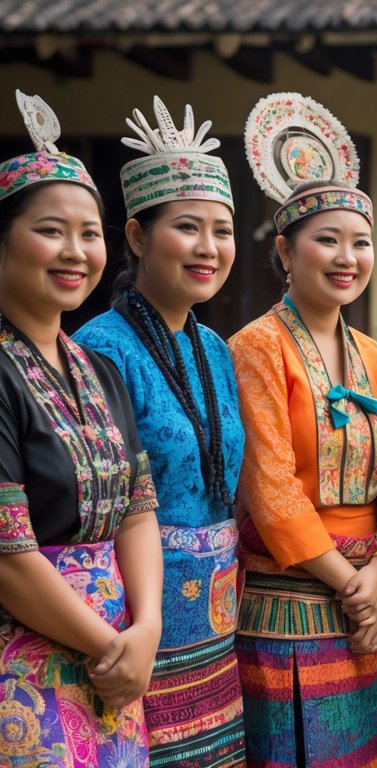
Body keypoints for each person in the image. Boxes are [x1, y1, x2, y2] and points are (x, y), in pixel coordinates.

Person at [73, 96, 246, 766]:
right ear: (138, 237)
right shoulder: (100, 349)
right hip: (136, 626)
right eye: (188, 227)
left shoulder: (218, 350)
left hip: (218, 625)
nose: (209, 247)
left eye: (222, 230)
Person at [229, 92, 377, 767]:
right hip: (287, 604)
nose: (346, 256)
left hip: (367, 610)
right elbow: (269, 489)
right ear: (286, 252)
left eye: (360, 241)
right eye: (327, 239)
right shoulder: (254, 347)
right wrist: (349, 582)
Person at [0, 91, 161, 765]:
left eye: (90, 232)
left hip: (118, 664)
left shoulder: (101, 369)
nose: (76, 250)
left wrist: (146, 628)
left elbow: (137, 510)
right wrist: (108, 644)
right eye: (50, 230)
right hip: (25, 665)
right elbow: (7, 558)